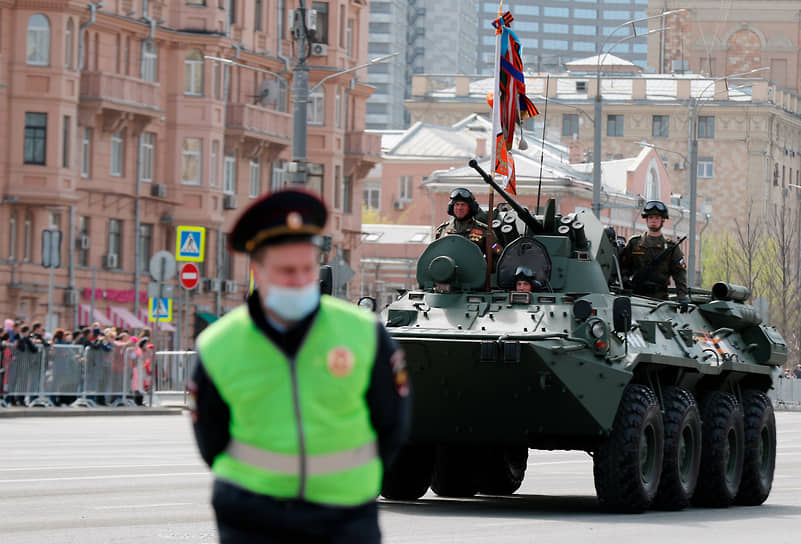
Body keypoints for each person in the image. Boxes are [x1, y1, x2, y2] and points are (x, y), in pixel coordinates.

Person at [189, 188, 410, 544]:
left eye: (308, 269)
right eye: (286, 270)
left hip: (344, 513)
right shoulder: (219, 344)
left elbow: (392, 422)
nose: (299, 280)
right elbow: (210, 439)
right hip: (251, 515)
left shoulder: (364, 333)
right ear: (258, 271)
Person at [620, 200, 689, 307]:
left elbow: (679, 273)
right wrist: (625, 282)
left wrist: (682, 297)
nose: (654, 221)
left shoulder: (671, 247)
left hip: (660, 299)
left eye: (657, 218)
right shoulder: (634, 243)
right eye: (651, 217)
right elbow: (623, 267)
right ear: (646, 220)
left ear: (662, 220)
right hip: (636, 297)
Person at [435, 188, 502, 258]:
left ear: (471, 208)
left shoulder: (484, 231)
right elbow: (434, 254)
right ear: (452, 207)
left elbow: (497, 253)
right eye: (457, 204)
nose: (459, 208)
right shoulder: (442, 230)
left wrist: (493, 247)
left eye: (463, 205)